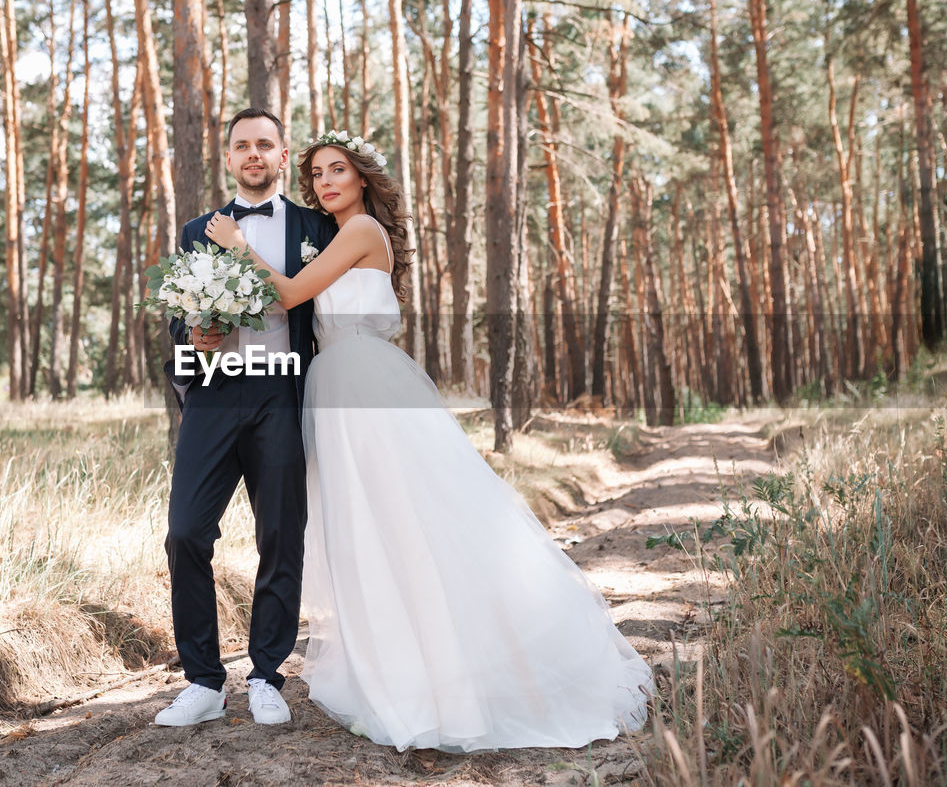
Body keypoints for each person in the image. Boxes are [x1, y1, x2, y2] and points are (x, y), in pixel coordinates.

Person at [205, 130, 651, 752]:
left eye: (338, 170)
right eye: (317, 175)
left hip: (362, 390)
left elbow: (286, 295)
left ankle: (446, 686)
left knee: (407, 527)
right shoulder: (337, 237)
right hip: (336, 387)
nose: (326, 182)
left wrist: (234, 246)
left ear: (362, 178)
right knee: (372, 531)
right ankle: (401, 669)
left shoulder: (361, 233)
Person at [154, 109, 337, 728]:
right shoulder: (196, 229)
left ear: (283, 156)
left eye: (265, 144)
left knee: (281, 534)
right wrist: (194, 333)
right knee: (185, 532)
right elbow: (178, 316)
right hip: (212, 393)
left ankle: (265, 673)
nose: (253, 153)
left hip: (284, 393)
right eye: (242, 146)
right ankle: (204, 681)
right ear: (228, 158)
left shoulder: (317, 226)